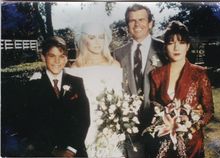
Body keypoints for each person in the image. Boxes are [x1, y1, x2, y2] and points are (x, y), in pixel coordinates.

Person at [148, 20, 214, 157]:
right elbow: (154, 109)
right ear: (165, 46)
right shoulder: (156, 75)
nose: (176, 48)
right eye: (171, 43)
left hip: (192, 145)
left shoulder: (200, 73)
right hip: (165, 144)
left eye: (181, 42)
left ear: (188, 46)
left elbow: (209, 111)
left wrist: (192, 126)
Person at [113, 4, 167, 158]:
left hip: (159, 125)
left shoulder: (165, 50)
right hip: (130, 128)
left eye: (141, 19)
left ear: (150, 23)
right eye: (132, 21)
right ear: (127, 25)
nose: (137, 24)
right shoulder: (117, 55)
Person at [23, 36, 90, 157]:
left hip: (74, 150)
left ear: (66, 59)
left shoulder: (76, 83)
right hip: (45, 151)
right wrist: (52, 150)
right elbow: (30, 124)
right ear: (43, 57)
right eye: (52, 56)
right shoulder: (32, 87)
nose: (57, 61)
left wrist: (71, 149)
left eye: (61, 56)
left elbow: (84, 119)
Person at [66, 22, 124, 157]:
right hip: (85, 125)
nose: (98, 42)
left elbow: (119, 98)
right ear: (83, 40)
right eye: (92, 37)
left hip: (109, 125)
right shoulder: (75, 68)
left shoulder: (113, 65)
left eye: (101, 37)